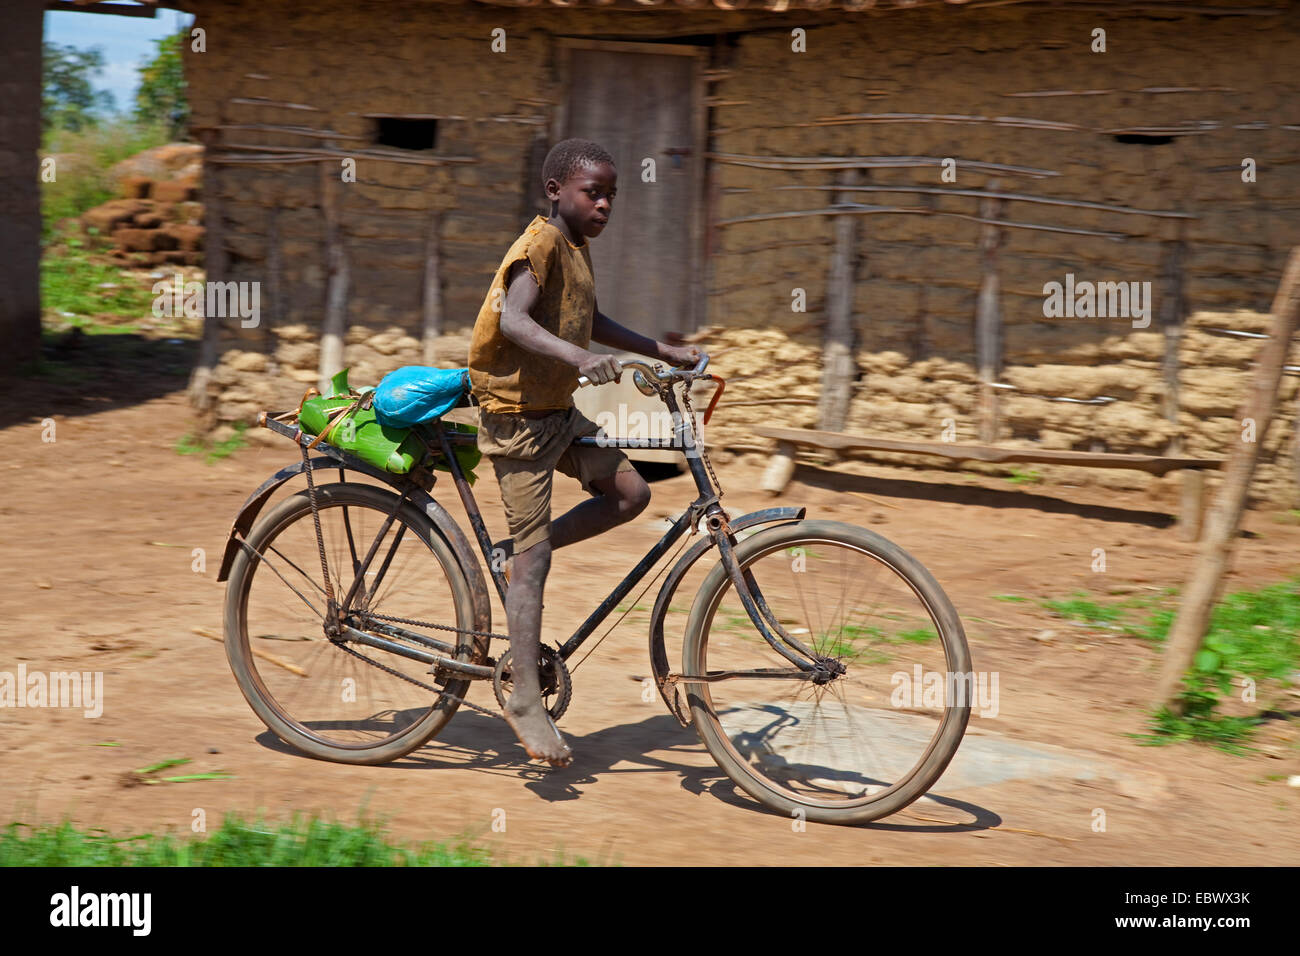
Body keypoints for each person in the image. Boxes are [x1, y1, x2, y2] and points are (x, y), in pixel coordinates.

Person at [467, 138, 700, 767]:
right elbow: (515, 320)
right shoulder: (538, 243)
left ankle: (512, 553)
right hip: (517, 419)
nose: (604, 204)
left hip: (558, 414)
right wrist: (580, 360)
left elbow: (587, 318)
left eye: (611, 195)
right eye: (592, 192)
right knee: (535, 561)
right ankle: (523, 699)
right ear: (555, 191)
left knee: (631, 493)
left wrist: (659, 349)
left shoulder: (576, 248)